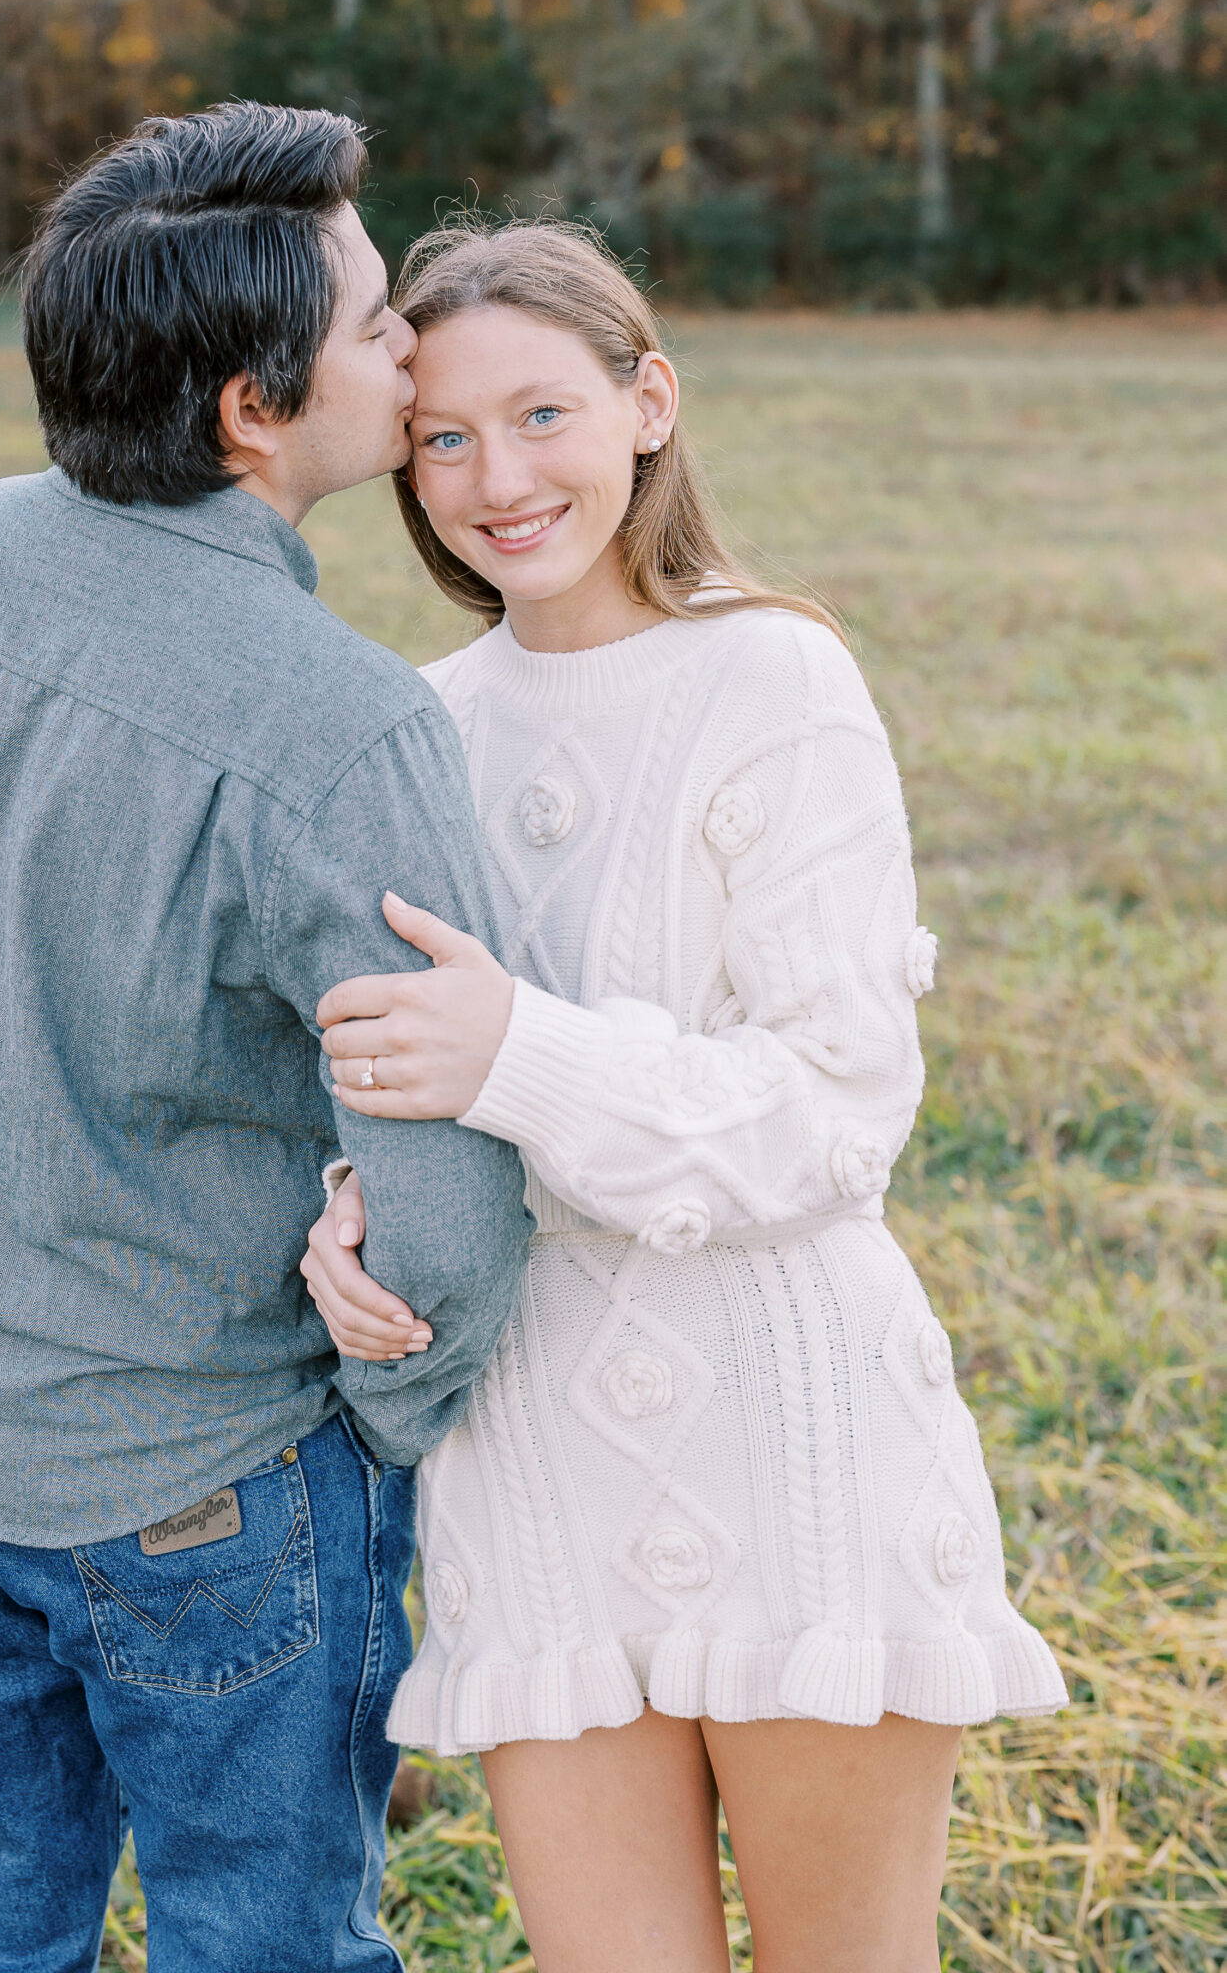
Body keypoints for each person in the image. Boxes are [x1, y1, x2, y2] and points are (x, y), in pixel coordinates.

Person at [0, 104, 532, 1973]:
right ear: (255, 408)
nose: (411, 350)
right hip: (214, 1478)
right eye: (375, 325)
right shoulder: (347, 728)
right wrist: (379, 1427)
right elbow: (444, 1192)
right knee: (268, 1946)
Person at [301, 218, 1067, 1973]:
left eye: (543, 415)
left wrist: (524, 1056)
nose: (497, 480)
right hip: (531, 1457)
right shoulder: (416, 725)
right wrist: (345, 1226)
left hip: (790, 1442)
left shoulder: (773, 674)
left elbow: (838, 1107)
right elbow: (385, 1064)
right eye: (443, 437)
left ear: (647, 402)